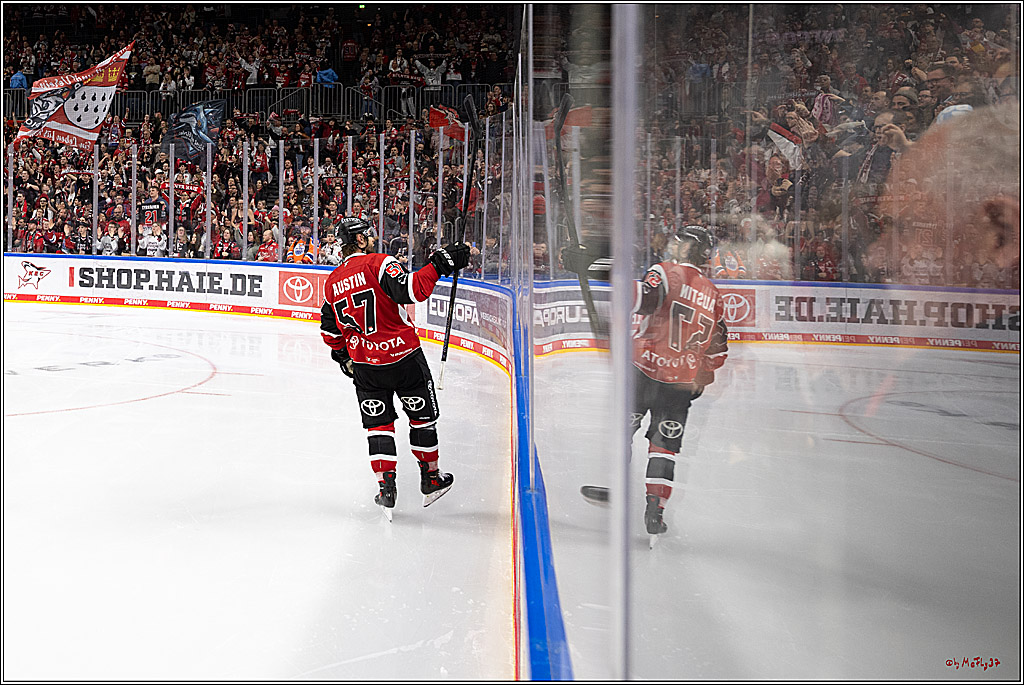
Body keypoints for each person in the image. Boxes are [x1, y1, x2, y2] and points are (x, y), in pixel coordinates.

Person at [572, 226, 728, 543]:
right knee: (665, 446)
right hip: (681, 383)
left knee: (623, 431)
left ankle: (617, 487)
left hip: (644, 370)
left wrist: (595, 267)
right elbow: (719, 347)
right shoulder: (713, 294)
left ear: (690, 249)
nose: (674, 245)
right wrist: (701, 378)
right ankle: (655, 510)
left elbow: (643, 299)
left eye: (681, 242)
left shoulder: (666, 271)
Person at [319, 217, 470, 520]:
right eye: (368, 236)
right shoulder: (379, 263)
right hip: (404, 359)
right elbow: (412, 291)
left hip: (365, 366)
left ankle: (386, 488)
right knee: (421, 419)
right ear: (360, 240)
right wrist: (442, 262)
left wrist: (344, 357)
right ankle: (430, 479)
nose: (373, 240)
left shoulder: (331, 283)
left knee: (378, 425)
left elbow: (330, 332)